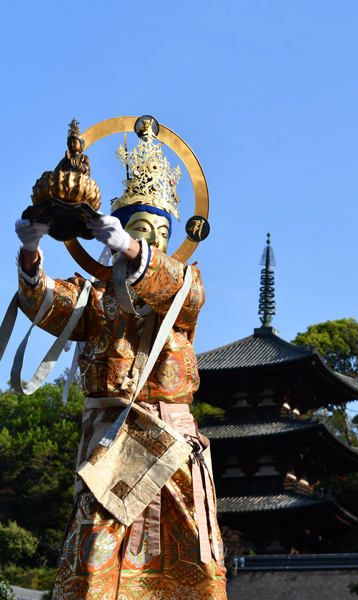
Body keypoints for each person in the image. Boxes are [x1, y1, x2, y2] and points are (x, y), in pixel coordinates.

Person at [15, 130, 227, 600]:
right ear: (114, 230)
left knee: (187, 561)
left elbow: (182, 292)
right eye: (138, 230)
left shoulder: (182, 286)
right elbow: (48, 304)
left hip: (168, 443)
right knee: (94, 557)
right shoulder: (94, 296)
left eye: (160, 235)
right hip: (108, 447)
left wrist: (134, 252)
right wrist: (31, 254)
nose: (149, 241)